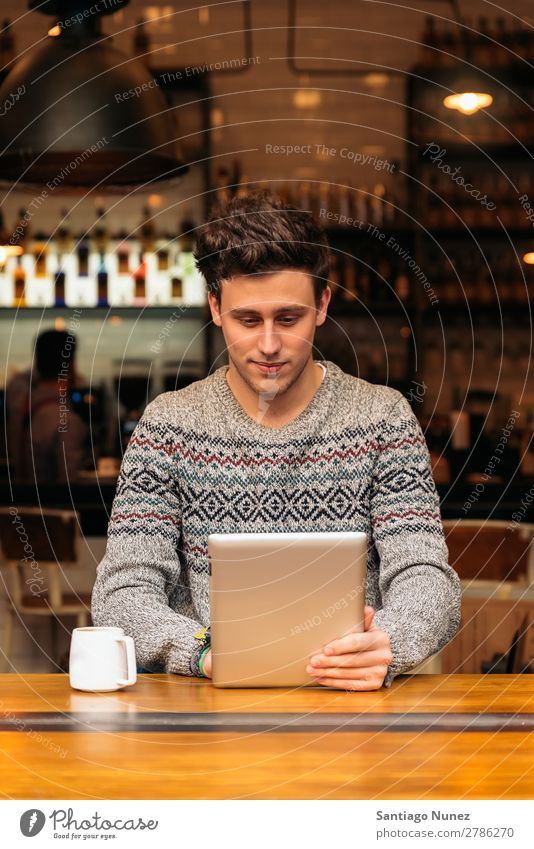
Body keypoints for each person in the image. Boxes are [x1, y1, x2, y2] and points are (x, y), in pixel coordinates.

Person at [91, 191, 460, 690]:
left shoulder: (382, 418)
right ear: (216, 308)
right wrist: (202, 652)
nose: (268, 345)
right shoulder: (169, 426)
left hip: (354, 710)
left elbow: (425, 574)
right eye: (248, 320)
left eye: (289, 319)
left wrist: (389, 642)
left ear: (322, 305)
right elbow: (121, 593)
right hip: (207, 712)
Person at [6, 329, 89, 484]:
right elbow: (70, 485)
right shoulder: (66, 421)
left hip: (20, 503)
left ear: (37, 363)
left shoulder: (20, 410)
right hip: (53, 507)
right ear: (71, 365)